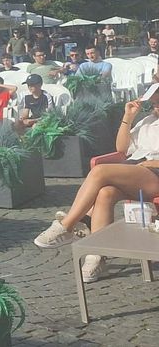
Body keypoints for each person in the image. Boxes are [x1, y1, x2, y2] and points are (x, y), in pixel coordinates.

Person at [34, 84, 159, 282]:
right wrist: (128, 116)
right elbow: (121, 148)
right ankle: (96, 256)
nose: (156, 102)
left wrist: (151, 162)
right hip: (137, 170)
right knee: (105, 193)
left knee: (100, 171)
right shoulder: (147, 121)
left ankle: (68, 225)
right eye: (154, 99)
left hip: (154, 173)